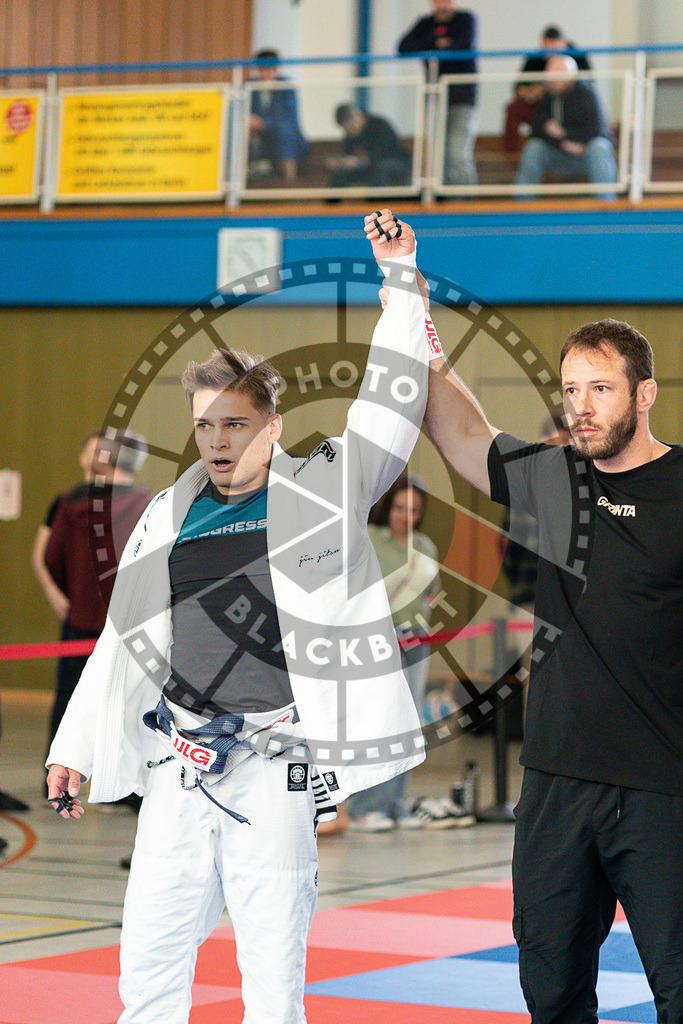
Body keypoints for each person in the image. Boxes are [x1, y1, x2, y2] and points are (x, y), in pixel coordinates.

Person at [46, 210, 432, 1024]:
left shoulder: (322, 490)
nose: (218, 441)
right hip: (176, 766)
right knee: (147, 963)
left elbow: (386, 411)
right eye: (206, 426)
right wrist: (74, 747)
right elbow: (122, 643)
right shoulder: (163, 513)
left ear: (273, 426)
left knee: (270, 973)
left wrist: (400, 285)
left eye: (236, 423)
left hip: (276, 761)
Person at [423, 313, 682, 1021]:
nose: (581, 406)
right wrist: (410, 310)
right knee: (551, 988)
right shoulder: (553, 477)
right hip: (556, 783)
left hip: (662, 789)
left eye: (600, 387)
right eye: (571, 389)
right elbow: (462, 434)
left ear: (645, 393)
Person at [349, 475, 471, 831]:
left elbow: (432, 591)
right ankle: (365, 806)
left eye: (414, 509)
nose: (406, 515)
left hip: (416, 639)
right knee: (380, 723)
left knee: (409, 722)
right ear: (389, 508)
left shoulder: (426, 546)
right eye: (400, 507)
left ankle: (397, 803)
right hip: (377, 639)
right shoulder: (369, 539)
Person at [37, 432, 152, 753]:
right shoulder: (149, 502)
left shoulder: (71, 502)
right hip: (133, 621)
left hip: (81, 618)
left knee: (69, 698)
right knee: (131, 702)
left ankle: (59, 775)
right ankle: (127, 790)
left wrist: (70, 595)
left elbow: (50, 556)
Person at [515, 55, 617, 200]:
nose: (551, 81)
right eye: (549, 76)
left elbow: (597, 130)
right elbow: (537, 129)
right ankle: (522, 208)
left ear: (570, 76)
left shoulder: (588, 94)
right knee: (534, 147)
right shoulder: (548, 96)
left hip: (585, 155)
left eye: (556, 76)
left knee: (599, 146)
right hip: (559, 154)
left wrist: (565, 134)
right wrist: (563, 143)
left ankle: (606, 206)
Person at [398, 0, 478, 186]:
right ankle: (442, 200)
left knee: (458, 153)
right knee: (436, 154)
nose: (443, 4)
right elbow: (403, 47)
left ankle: (468, 203)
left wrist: (429, 45)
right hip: (434, 98)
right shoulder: (425, 23)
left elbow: (462, 44)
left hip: (462, 97)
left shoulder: (465, 19)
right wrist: (436, 42)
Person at [248, 48, 309, 184]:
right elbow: (243, 111)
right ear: (258, 69)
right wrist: (249, 120)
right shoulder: (249, 86)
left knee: (285, 130)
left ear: (277, 68)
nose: (268, 72)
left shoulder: (286, 86)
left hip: (281, 132)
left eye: (272, 68)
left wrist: (263, 122)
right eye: (264, 69)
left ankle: (289, 180)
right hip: (258, 133)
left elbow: (289, 116)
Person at [327, 104, 411, 189]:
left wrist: (358, 161)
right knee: (341, 174)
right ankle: (331, 201)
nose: (350, 131)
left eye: (351, 126)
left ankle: (375, 201)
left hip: (395, 162)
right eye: (346, 129)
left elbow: (382, 154)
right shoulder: (350, 134)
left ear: (359, 116)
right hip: (369, 167)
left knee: (379, 169)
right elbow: (348, 153)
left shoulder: (379, 124)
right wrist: (340, 161)